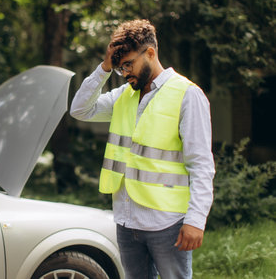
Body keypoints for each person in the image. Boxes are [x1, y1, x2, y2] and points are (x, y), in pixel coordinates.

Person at [70, 19, 215, 279]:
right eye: (119, 67)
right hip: (127, 221)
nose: (125, 72)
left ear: (150, 53)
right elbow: (80, 109)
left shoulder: (187, 95)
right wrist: (104, 68)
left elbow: (201, 164)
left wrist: (196, 220)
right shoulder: (123, 95)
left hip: (167, 222)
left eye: (128, 64)